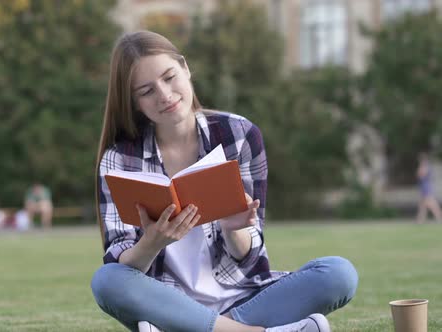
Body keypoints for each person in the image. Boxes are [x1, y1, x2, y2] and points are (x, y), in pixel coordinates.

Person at [91, 31, 358, 332]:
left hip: (246, 297)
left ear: (185, 68)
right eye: (146, 91)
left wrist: (236, 229)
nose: (164, 95)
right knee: (107, 281)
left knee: (339, 274)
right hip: (168, 304)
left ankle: (201, 328)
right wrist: (152, 243)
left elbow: (250, 258)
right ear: (135, 102)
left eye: (169, 77)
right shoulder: (119, 159)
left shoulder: (239, 135)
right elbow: (121, 259)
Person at [416, 152, 442, 223]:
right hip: (424, 187)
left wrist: (420, 170)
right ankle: (420, 219)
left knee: (432, 204)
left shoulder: (426, 166)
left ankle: (439, 217)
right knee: (423, 205)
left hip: (426, 187)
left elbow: (420, 174)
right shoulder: (425, 166)